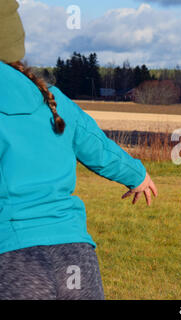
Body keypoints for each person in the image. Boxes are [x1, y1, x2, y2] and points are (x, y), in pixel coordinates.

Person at [0, 0, 158, 300]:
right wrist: (137, 175)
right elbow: (97, 146)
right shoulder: (50, 96)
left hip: (13, 257)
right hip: (75, 254)